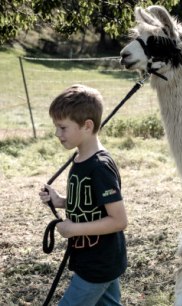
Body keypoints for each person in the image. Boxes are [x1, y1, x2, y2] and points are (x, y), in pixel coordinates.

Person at [39, 84, 128, 306]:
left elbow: (118, 220)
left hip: (99, 263)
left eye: (62, 127)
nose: (57, 134)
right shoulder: (80, 158)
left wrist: (74, 229)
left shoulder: (99, 167)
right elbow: (91, 203)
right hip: (94, 259)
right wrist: (60, 201)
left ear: (87, 126)